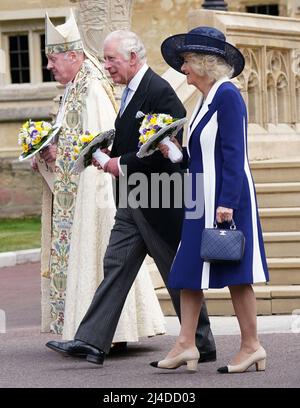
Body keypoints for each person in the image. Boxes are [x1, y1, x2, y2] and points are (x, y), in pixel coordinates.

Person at [45, 30, 216, 365]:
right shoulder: (129, 91)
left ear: (134, 57)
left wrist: (118, 163)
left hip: (159, 200)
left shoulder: (160, 91)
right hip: (133, 200)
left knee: (174, 273)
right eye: (106, 59)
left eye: (112, 59)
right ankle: (92, 341)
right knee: (116, 266)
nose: (106, 65)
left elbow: (167, 149)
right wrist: (110, 151)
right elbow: (137, 141)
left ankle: (202, 342)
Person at [38, 12, 166, 345]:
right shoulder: (72, 89)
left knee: (128, 264)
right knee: (117, 267)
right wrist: (47, 150)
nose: (49, 66)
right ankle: (92, 338)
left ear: (73, 56)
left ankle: (193, 339)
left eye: (53, 59)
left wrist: (60, 154)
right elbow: (77, 138)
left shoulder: (92, 88)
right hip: (93, 190)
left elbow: (101, 143)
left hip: (100, 195)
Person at [150, 26, 269, 373]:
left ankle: (251, 346)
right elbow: (199, 156)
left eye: (186, 61)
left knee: (236, 272)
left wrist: (227, 202)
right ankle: (186, 344)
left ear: (204, 63)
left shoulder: (228, 95)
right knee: (187, 270)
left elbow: (234, 155)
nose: (182, 68)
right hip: (198, 199)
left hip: (224, 199)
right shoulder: (204, 101)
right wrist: (172, 150)